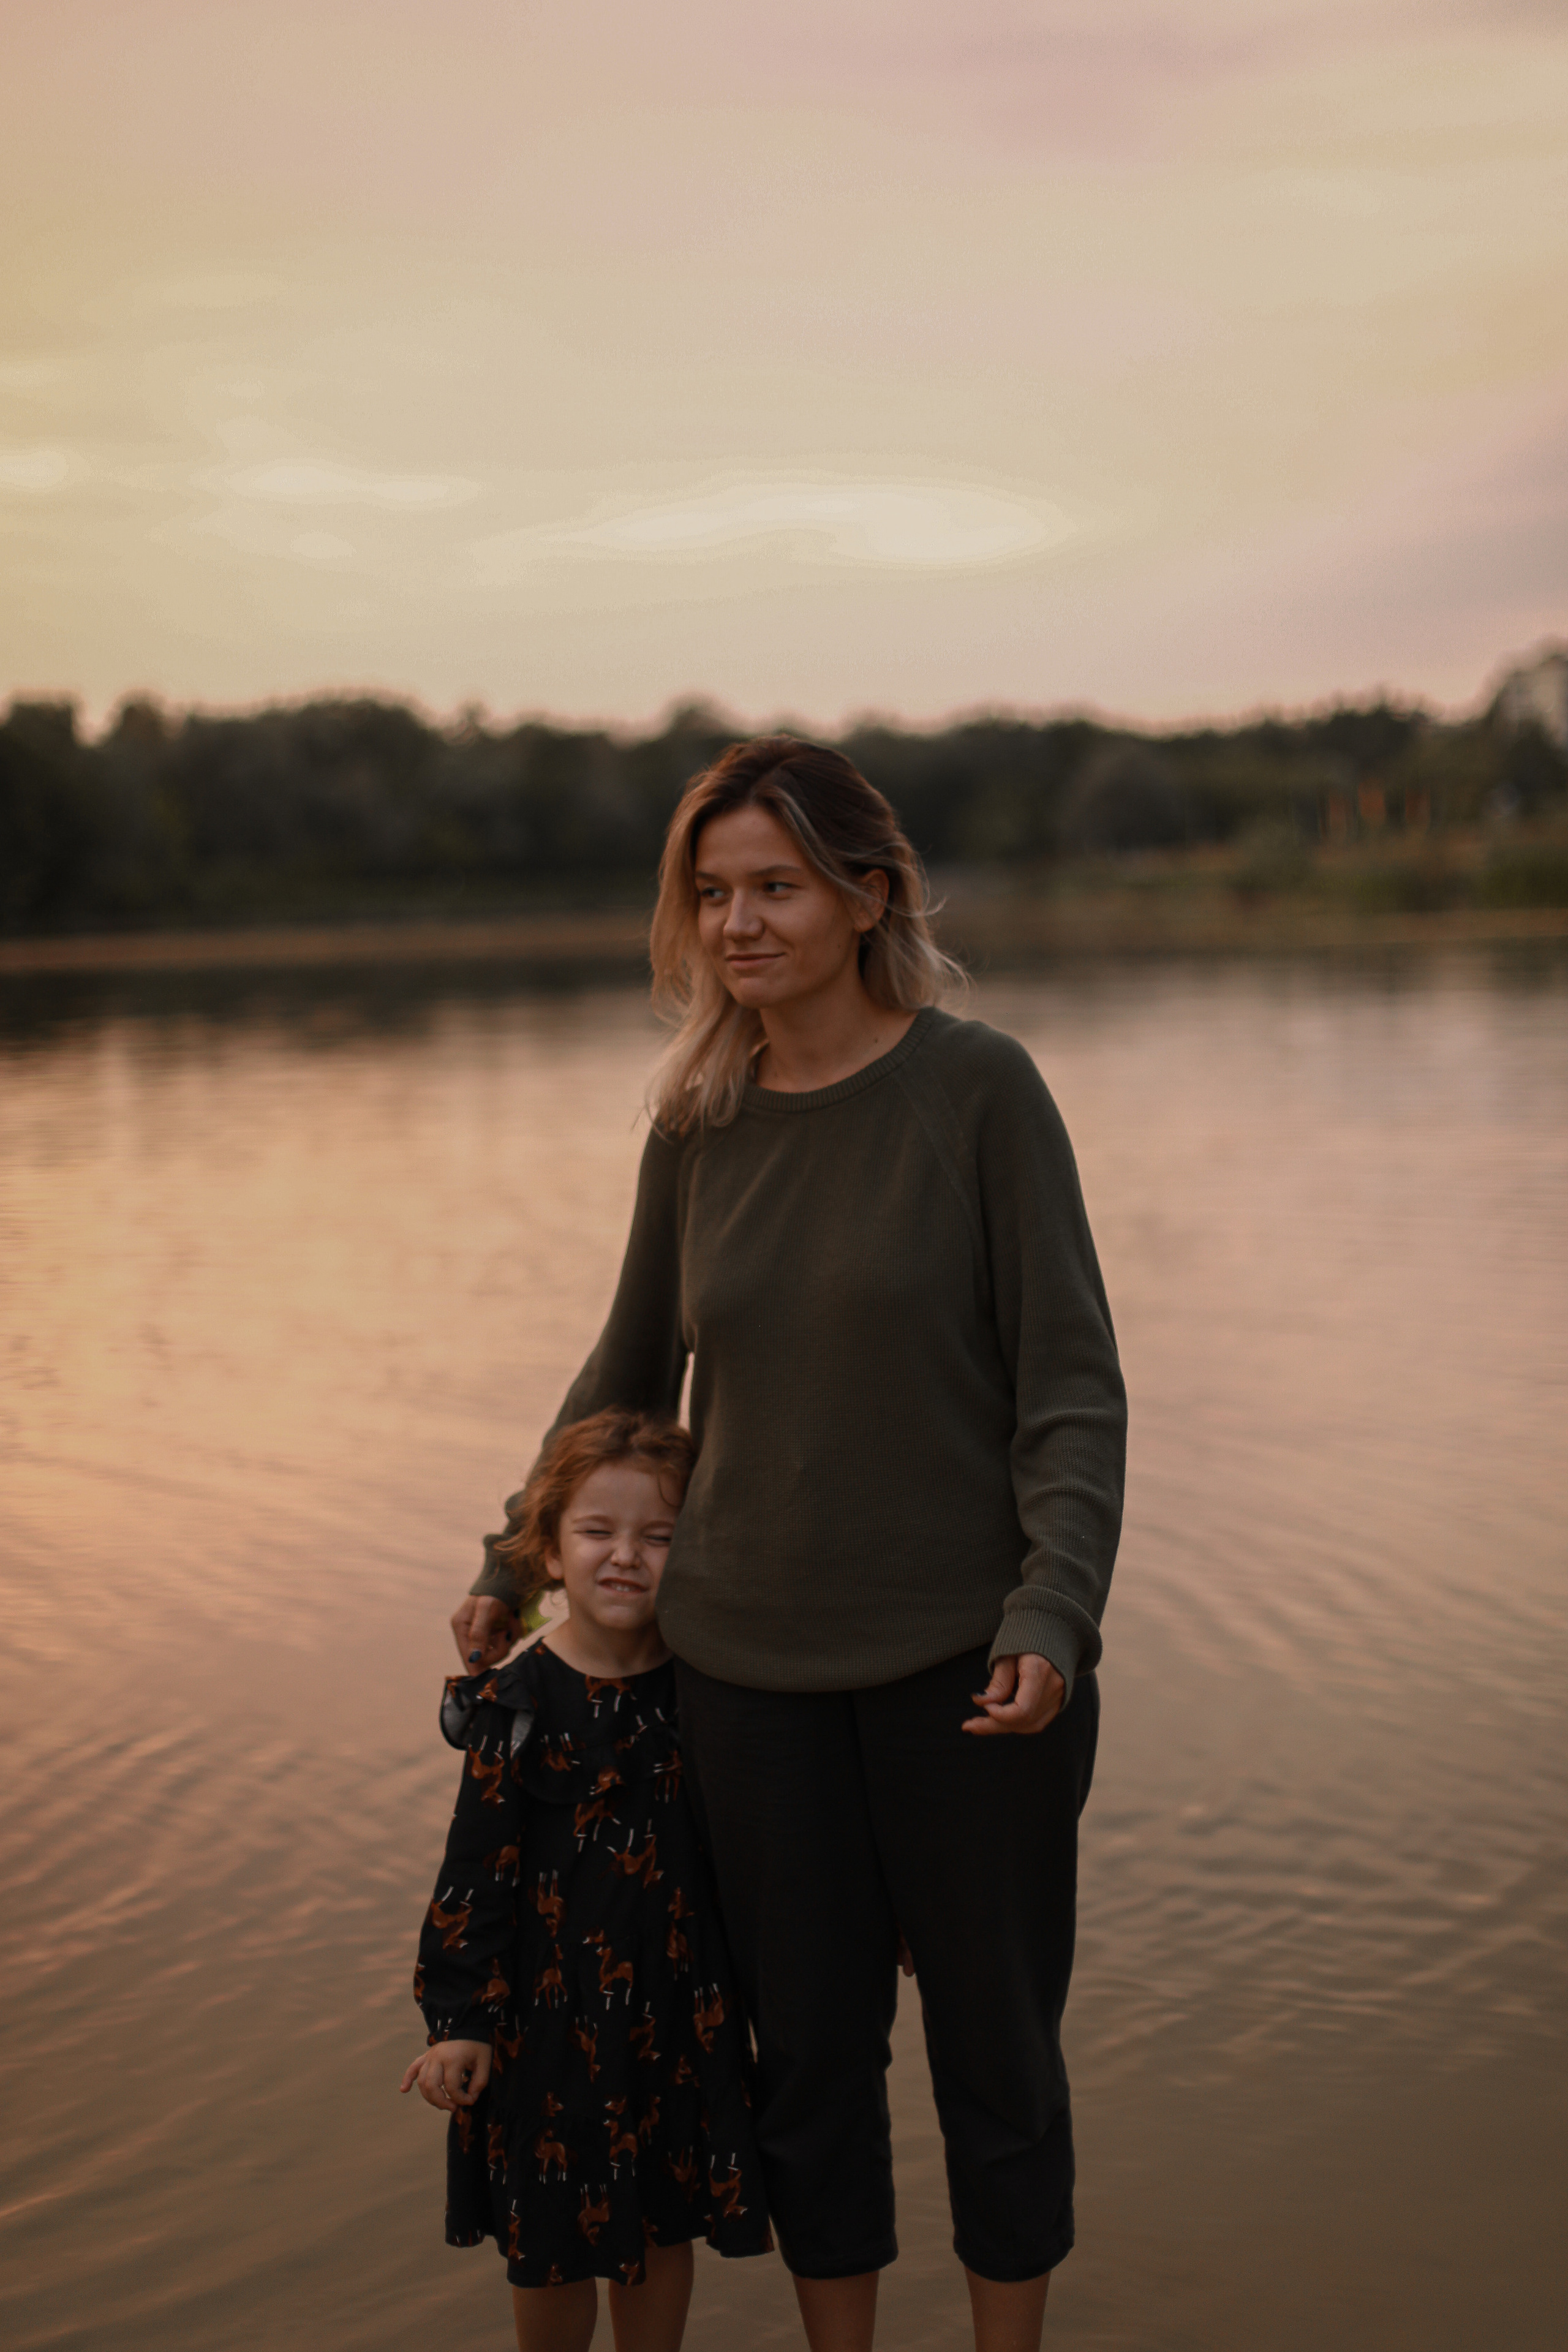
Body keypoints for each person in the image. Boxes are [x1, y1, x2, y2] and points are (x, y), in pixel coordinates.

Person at [451, 738, 1127, 2352]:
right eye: (711, 892)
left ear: (866, 892)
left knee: (998, 2063)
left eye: (774, 885)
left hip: (974, 1676)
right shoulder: (698, 1123)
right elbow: (624, 1375)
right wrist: (510, 1563)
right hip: (743, 1686)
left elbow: (1072, 1391)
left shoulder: (979, 1090)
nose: (737, 922)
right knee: (806, 2073)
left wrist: (1055, 1608)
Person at [405, 1408, 770, 2352]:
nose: (626, 1559)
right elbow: (471, 1874)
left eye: (658, 1538)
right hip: (548, 2025)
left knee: (661, 2220)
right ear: (551, 1552)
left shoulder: (709, 1690)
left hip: (683, 2017)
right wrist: (461, 2024)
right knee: (551, 2235)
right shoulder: (518, 1705)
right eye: (598, 1534)